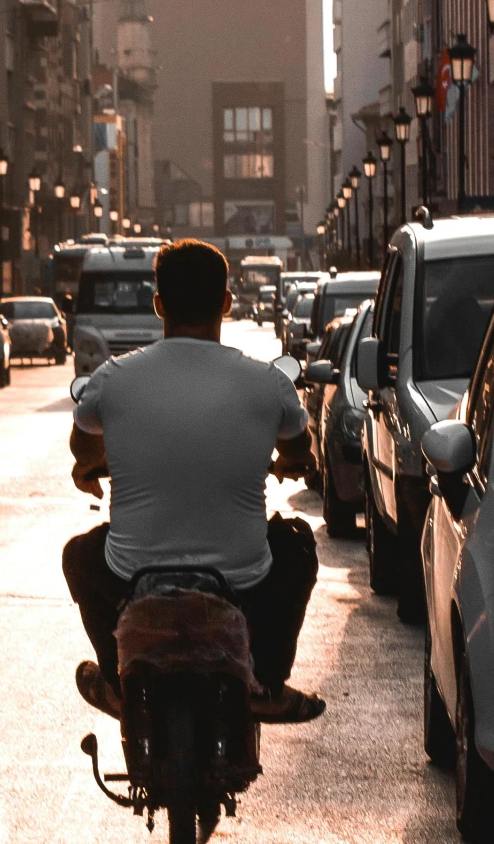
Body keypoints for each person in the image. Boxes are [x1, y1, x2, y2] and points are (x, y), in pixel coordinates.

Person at [63, 238, 325, 725]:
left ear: (158, 303)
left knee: (78, 555)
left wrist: (88, 470)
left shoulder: (112, 378)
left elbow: (84, 445)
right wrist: (290, 463)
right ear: (226, 302)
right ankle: (265, 681)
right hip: (243, 572)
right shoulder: (268, 382)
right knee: (298, 546)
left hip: (132, 569)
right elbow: (298, 450)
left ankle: (118, 682)